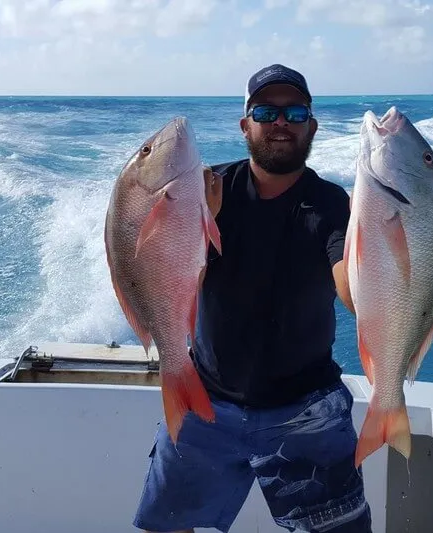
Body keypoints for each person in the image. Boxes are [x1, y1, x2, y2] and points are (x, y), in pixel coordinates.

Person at [132, 64, 373, 533]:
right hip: (203, 400)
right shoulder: (201, 191)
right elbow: (156, 267)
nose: (281, 122)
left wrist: (387, 263)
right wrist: (200, 220)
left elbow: (352, 292)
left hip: (308, 412)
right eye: (266, 111)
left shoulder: (330, 204)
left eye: (295, 112)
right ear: (246, 125)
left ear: (312, 126)